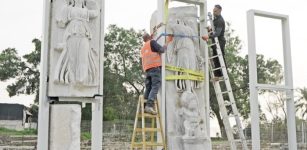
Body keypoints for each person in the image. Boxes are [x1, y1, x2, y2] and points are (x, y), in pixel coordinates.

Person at [141, 33, 168, 115]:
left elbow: (151, 49)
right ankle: (149, 106)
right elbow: (162, 50)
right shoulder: (152, 42)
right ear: (150, 37)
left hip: (147, 70)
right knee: (155, 86)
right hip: (154, 68)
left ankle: (144, 106)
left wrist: (151, 38)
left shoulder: (143, 47)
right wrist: (167, 42)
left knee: (148, 88)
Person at [202, 4, 226, 81]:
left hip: (220, 42)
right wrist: (209, 30)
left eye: (215, 11)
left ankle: (224, 74)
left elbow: (217, 33)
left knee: (220, 58)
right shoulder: (215, 19)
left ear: (219, 11)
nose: (214, 12)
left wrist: (208, 36)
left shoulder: (220, 21)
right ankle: (217, 75)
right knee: (215, 59)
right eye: (213, 11)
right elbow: (214, 30)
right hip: (215, 43)